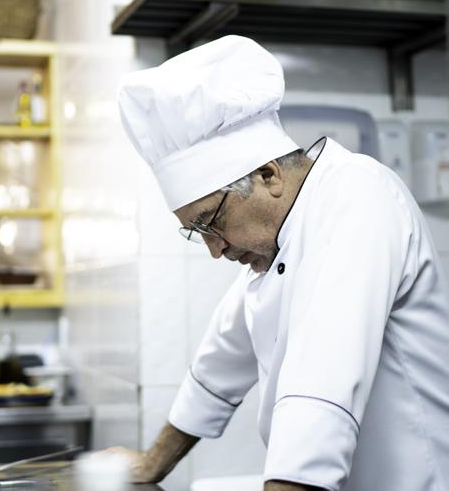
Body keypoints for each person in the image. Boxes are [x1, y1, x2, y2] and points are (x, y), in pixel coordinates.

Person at [106, 35, 449, 491]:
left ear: (268, 175)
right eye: (196, 231)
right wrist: (152, 464)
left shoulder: (357, 195)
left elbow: (319, 388)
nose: (215, 249)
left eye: (211, 221)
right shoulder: (280, 244)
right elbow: (223, 355)